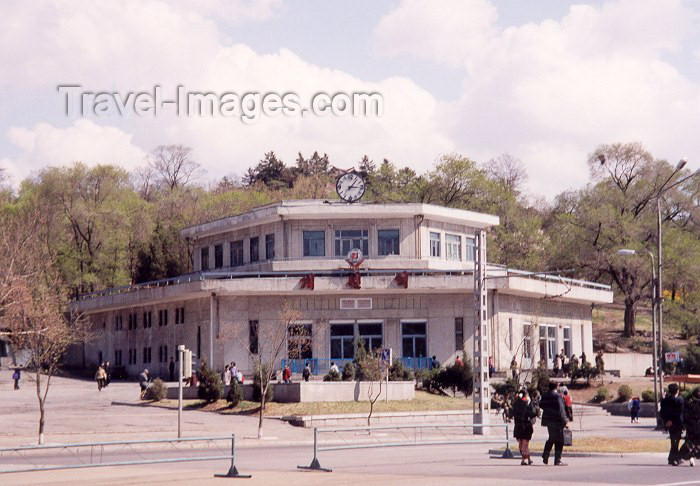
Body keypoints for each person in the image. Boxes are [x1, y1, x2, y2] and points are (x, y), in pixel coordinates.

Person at [540, 382, 569, 466]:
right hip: (557, 420)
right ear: (556, 387)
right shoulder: (558, 396)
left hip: (548, 420)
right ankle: (557, 460)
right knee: (559, 440)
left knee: (552, 438)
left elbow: (541, 404)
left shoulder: (545, 395)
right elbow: (561, 410)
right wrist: (565, 420)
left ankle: (545, 455)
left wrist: (548, 410)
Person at [660, 383, 685, 466]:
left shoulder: (664, 400)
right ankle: (675, 458)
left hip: (669, 424)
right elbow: (679, 413)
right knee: (675, 441)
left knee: (674, 441)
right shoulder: (680, 400)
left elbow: (662, 412)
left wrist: (667, 421)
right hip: (677, 423)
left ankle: (672, 458)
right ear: (677, 390)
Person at [512, 389, 538, 466]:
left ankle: (529, 459)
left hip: (518, 426)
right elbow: (532, 414)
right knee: (525, 443)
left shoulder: (516, 404)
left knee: (522, 443)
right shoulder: (526, 404)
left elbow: (512, 413)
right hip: (526, 426)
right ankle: (523, 460)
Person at [681, 387, 700, 467]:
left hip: (691, 425)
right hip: (694, 425)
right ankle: (691, 456)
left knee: (691, 442)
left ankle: (691, 456)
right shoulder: (692, 402)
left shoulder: (688, 401)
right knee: (692, 442)